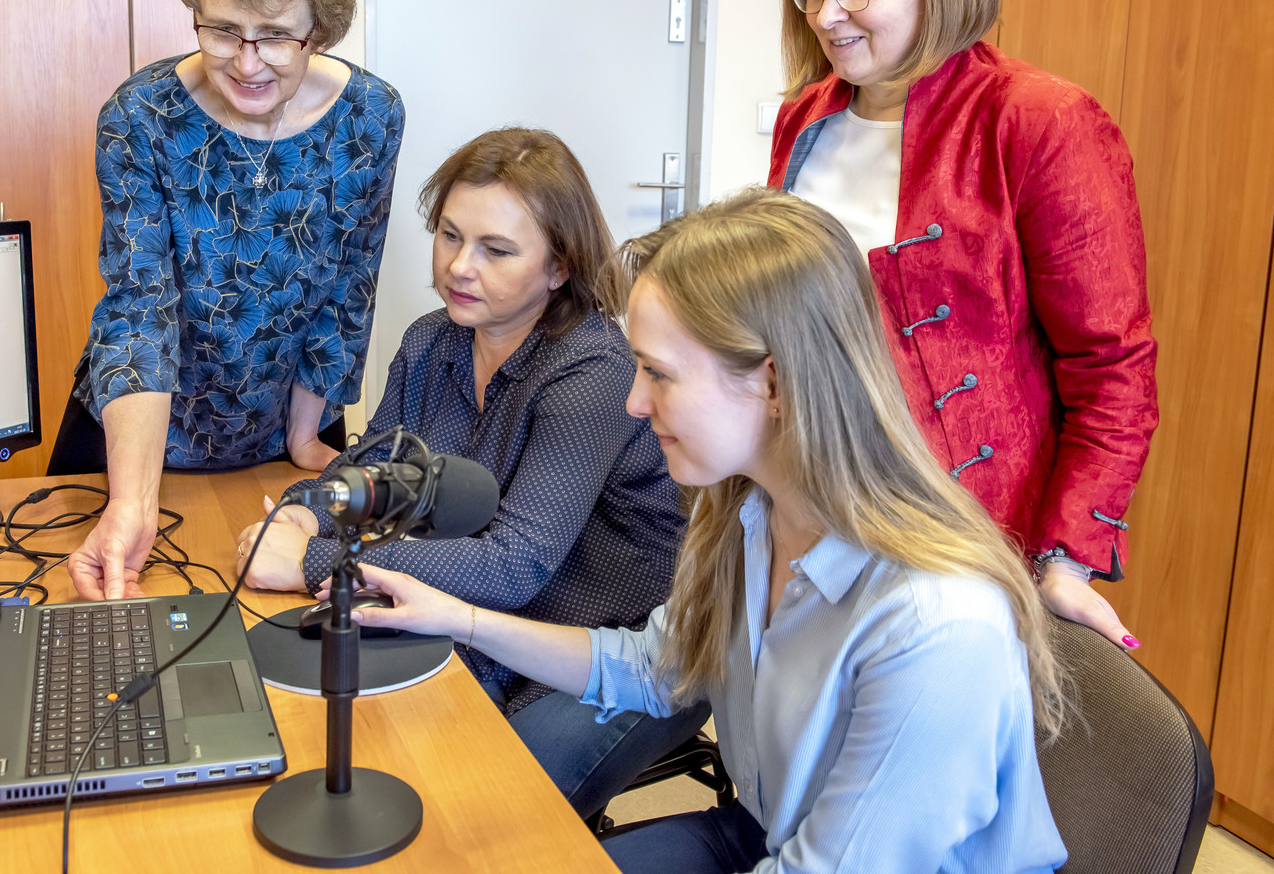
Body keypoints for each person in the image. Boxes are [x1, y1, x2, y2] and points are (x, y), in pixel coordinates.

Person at [339, 188, 1068, 873]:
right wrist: (460, 618)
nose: (634, 402)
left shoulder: (935, 625)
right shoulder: (747, 516)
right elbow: (653, 668)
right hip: (762, 832)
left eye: (658, 374)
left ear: (773, 384)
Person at [235, 128, 703, 816]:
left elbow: (514, 565)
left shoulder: (594, 370)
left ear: (559, 267)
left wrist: (311, 560)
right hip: (472, 619)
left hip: (610, 648)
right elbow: (371, 473)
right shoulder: (431, 341)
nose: (459, 266)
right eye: (450, 236)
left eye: (496, 250)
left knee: (479, 808)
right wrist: (305, 511)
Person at [771, 0, 1157, 648]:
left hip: (963, 541)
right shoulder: (804, 119)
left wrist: (1067, 559)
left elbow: (1111, 367)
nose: (827, 14)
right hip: (813, 512)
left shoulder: (1038, 122)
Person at [63, 0, 404, 602]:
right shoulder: (140, 116)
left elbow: (351, 282)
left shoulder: (371, 117)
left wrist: (304, 437)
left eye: (275, 36)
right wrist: (133, 500)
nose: (247, 63)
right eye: (223, 31)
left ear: (318, 31)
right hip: (141, 440)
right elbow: (140, 307)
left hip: (290, 425)